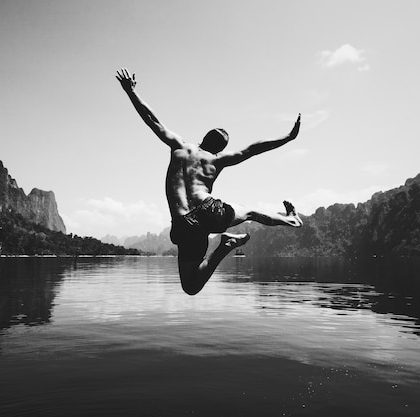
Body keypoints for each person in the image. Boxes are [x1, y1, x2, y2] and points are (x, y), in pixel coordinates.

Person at [116, 68, 303, 295]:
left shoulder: (180, 146)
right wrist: (288, 137)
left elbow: (152, 120)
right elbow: (253, 149)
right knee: (252, 212)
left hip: (183, 223)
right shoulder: (217, 160)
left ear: (203, 137)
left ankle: (224, 247)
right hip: (210, 210)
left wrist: (131, 91)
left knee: (191, 287)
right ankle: (290, 220)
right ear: (221, 148)